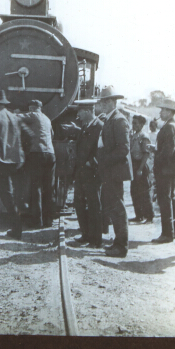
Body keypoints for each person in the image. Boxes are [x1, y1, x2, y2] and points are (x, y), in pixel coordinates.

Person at [97, 86, 133, 258]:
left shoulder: (119, 120)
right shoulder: (110, 119)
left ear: (112, 102)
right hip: (110, 171)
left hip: (114, 171)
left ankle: (121, 246)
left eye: (104, 102)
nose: (101, 105)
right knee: (113, 207)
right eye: (101, 102)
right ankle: (118, 243)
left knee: (118, 208)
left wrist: (104, 160)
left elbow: (123, 149)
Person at [62, 101, 104, 248]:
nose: (77, 115)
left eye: (79, 112)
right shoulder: (86, 126)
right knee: (79, 204)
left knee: (93, 205)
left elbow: (101, 150)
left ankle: (96, 240)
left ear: (87, 111)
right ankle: (86, 235)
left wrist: (90, 163)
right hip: (81, 172)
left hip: (91, 173)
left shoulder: (99, 126)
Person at [0, 89, 24, 240]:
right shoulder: (14, 117)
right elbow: (25, 135)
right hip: (15, 160)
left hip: (0, 161)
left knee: (6, 194)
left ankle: (17, 228)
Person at [151, 99, 175, 243]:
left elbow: (167, 152)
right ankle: (173, 231)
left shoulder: (169, 127)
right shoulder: (173, 126)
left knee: (165, 200)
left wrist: (156, 155)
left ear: (169, 112)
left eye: (163, 110)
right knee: (171, 199)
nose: (160, 112)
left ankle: (167, 234)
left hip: (165, 170)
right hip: (170, 170)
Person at [20, 100, 56, 228]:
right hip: (50, 155)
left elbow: (18, 118)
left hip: (37, 154)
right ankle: (49, 221)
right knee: (48, 188)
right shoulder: (47, 119)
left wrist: (14, 113)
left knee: (36, 188)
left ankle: (37, 221)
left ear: (32, 108)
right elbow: (52, 135)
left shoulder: (33, 115)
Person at [129, 115, 154, 224]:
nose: (133, 125)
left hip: (141, 165)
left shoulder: (144, 136)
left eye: (136, 123)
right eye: (133, 123)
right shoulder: (134, 135)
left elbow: (146, 154)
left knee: (144, 191)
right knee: (134, 191)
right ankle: (139, 215)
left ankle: (149, 216)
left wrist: (140, 169)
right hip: (134, 165)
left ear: (142, 124)